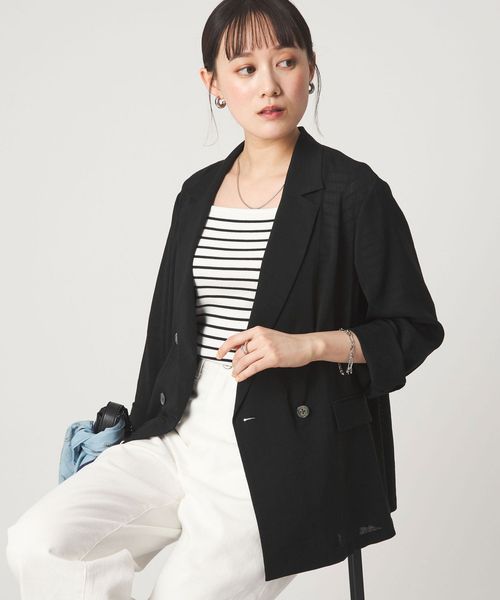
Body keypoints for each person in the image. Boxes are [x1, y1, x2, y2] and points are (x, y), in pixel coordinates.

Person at [5, 1, 445, 599]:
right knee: (42, 544)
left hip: (285, 444)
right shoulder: (197, 193)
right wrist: (134, 433)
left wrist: (307, 346)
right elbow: (165, 334)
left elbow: (414, 327)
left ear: (311, 67)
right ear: (212, 82)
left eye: (286, 61)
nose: (269, 85)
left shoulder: (353, 192)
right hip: (179, 431)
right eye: (244, 68)